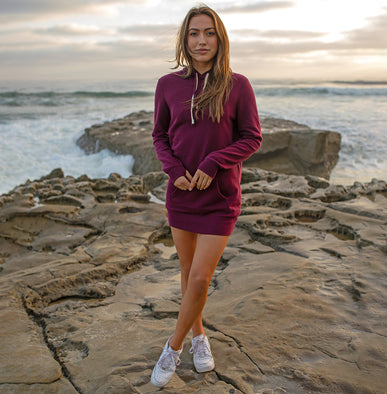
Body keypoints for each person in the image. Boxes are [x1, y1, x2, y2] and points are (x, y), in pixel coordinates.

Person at [150, 5, 262, 387]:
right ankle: (200, 337)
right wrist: (174, 171)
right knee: (187, 274)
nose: (201, 41)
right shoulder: (168, 85)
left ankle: (173, 346)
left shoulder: (238, 84)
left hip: (220, 197)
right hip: (180, 195)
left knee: (199, 279)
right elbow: (160, 136)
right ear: (185, 39)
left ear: (220, 38)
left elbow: (252, 137)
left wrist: (214, 162)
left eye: (209, 33)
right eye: (195, 33)